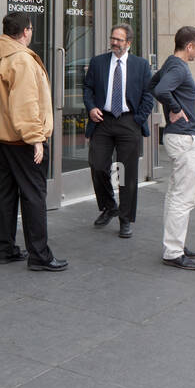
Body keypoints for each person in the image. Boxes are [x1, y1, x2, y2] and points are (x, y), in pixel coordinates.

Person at [0, 11, 67, 272]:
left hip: (2, 136)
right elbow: (26, 104)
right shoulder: (22, 60)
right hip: (22, 140)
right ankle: (39, 255)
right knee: (33, 195)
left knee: (6, 192)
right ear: (26, 31)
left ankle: (5, 249)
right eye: (30, 29)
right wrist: (36, 140)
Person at [83, 23, 154, 237]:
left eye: (119, 40)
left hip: (128, 121)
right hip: (102, 120)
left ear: (129, 43)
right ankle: (109, 206)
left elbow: (148, 95)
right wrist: (91, 107)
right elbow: (87, 88)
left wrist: (138, 119)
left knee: (126, 173)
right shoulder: (98, 62)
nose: (114, 42)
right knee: (97, 165)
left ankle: (125, 219)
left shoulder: (140, 65)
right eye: (113, 38)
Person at [151, 26, 195, 270]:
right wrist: (174, 108)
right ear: (189, 46)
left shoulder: (170, 64)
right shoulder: (179, 67)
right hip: (184, 138)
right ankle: (173, 251)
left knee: (175, 194)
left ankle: (175, 244)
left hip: (178, 137)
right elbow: (160, 90)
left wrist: (172, 106)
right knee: (184, 197)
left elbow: (153, 85)